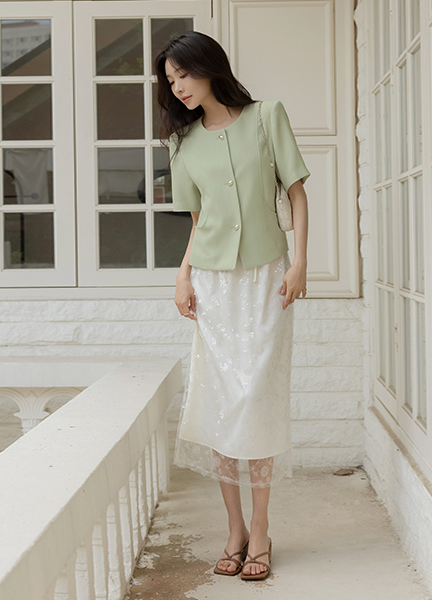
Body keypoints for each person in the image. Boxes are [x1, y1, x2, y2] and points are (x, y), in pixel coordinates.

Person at [155, 31, 310, 581]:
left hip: (267, 276)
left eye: (183, 75)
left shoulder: (267, 117)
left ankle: (262, 530)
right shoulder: (181, 143)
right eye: (170, 80)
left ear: (208, 67)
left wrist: (300, 263)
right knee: (221, 400)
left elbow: (296, 192)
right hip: (213, 285)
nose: (178, 87)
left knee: (256, 397)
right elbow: (199, 222)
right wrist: (183, 275)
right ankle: (235, 530)